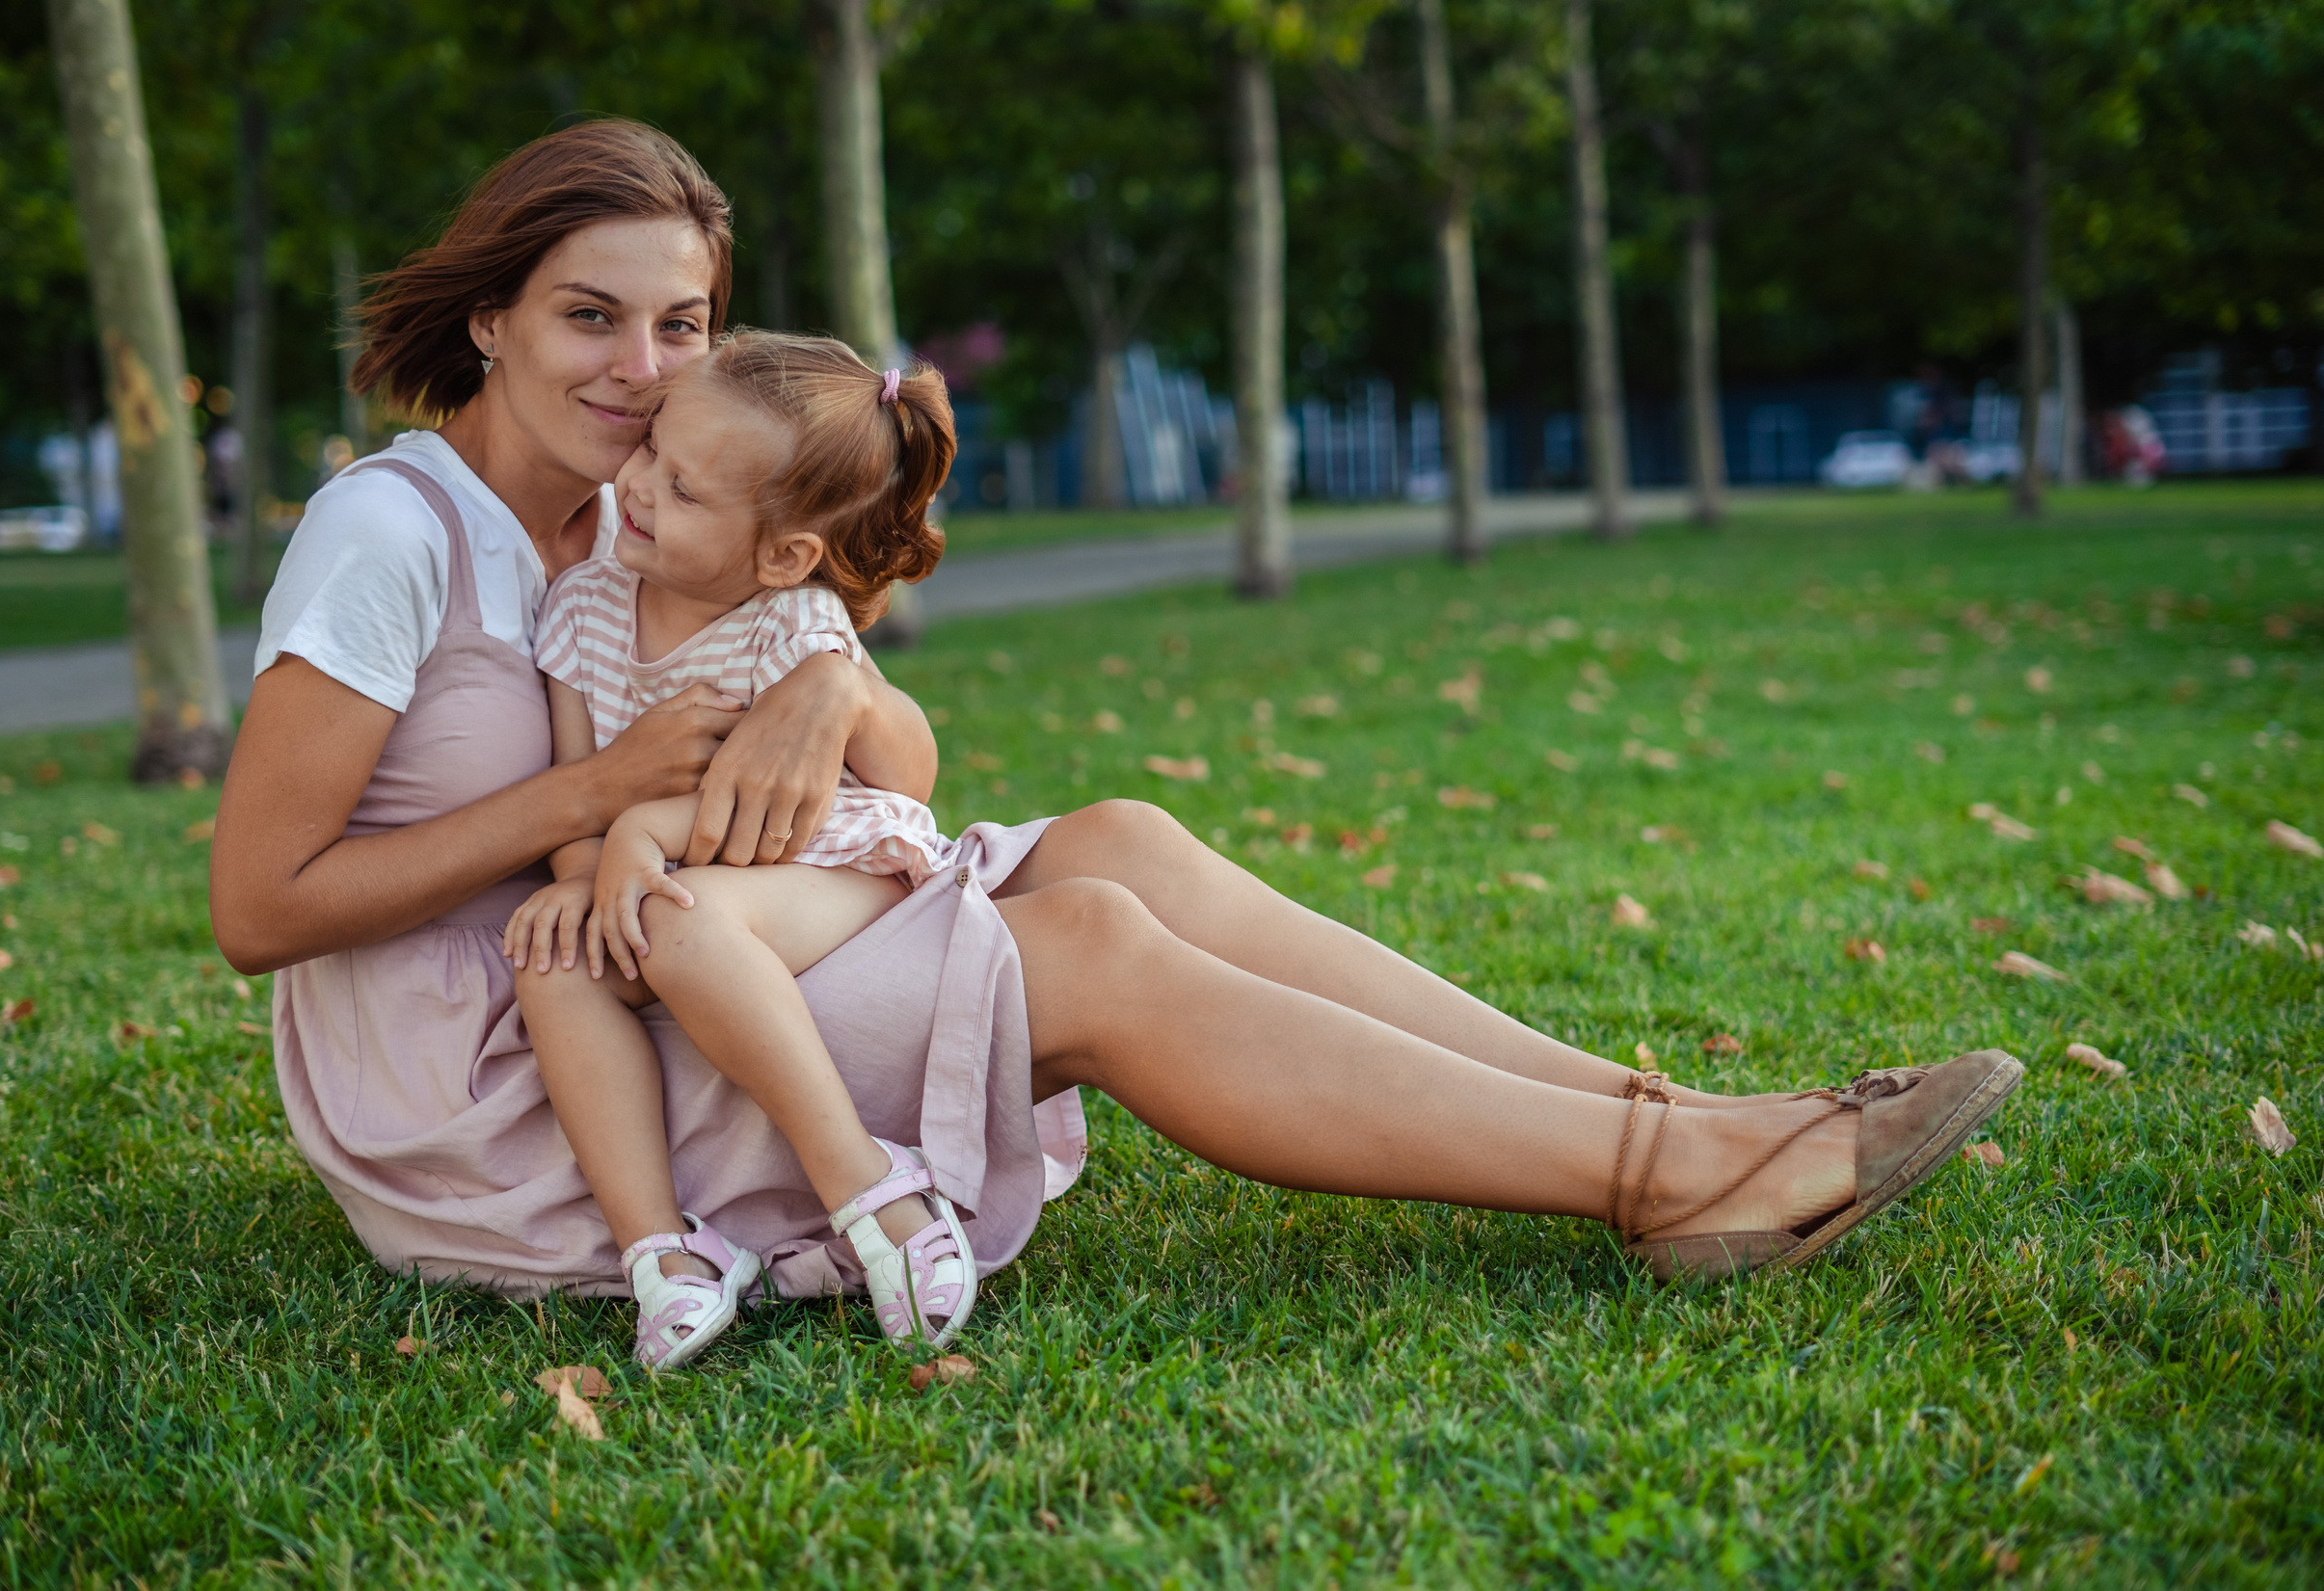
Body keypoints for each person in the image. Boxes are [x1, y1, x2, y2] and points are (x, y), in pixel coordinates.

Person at [210, 120, 2020, 1344]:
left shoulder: (647, 508)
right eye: (588, 318)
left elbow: (891, 775)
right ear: (488, 316)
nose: (640, 365)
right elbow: (260, 908)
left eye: (679, 323)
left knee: (1125, 841)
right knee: (1078, 948)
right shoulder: (390, 530)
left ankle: (1676, 1110)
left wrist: (835, 675)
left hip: (679, 934)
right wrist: (594, 791)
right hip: (518, 1060)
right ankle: (1677, 1180)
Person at [506, 334, 984, 1366]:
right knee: (553, 963)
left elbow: (904, 775)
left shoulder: (791, 620)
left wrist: (647, 836)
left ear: (780, 554)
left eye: (679, 488)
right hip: (685, 881)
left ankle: (867, 1188)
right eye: (650, 455)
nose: (635, 487)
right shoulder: (583, 608)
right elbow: (580, 781)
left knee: (683, 925)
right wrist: (584, 885)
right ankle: (663, 1251)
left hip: (837, 877)